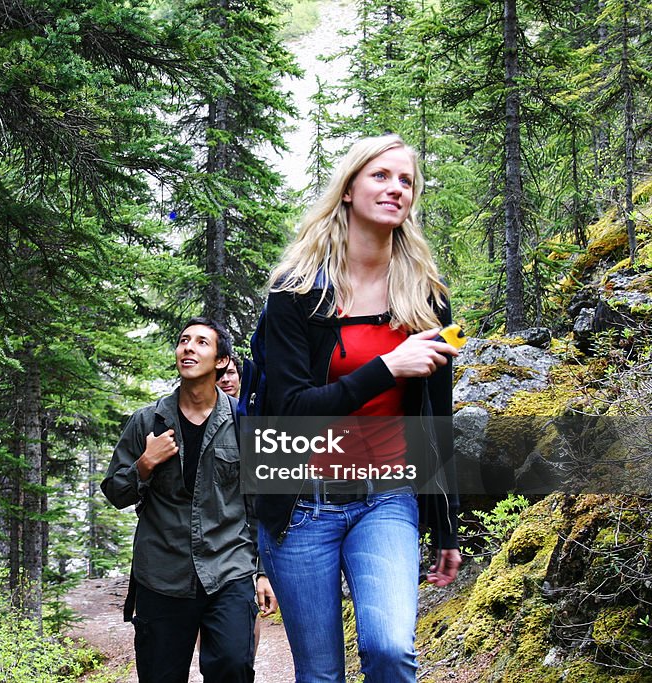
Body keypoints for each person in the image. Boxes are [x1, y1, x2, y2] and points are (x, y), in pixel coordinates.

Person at [255, 134, 462, 682]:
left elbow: (435, 425)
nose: (396, 188)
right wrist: (387, 368)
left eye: (406, 181)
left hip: (386, 499)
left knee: (391, 649)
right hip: (301, 504)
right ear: (348, 188)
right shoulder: (295, 293)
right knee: (321, 675)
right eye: (381, 175)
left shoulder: (426, 296)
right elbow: (291, 409)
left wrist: (446, 528)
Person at [102, 317, 275, 683]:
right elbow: (115, 492)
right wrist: (144, 464)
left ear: (222, 361)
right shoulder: (147, 422)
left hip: (228, 570)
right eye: (183, 341)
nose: (189, 348)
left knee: (232, 666)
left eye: (201, 342)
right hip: (162, 574)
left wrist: (262, 571)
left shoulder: (244, 423)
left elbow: (259, 505)